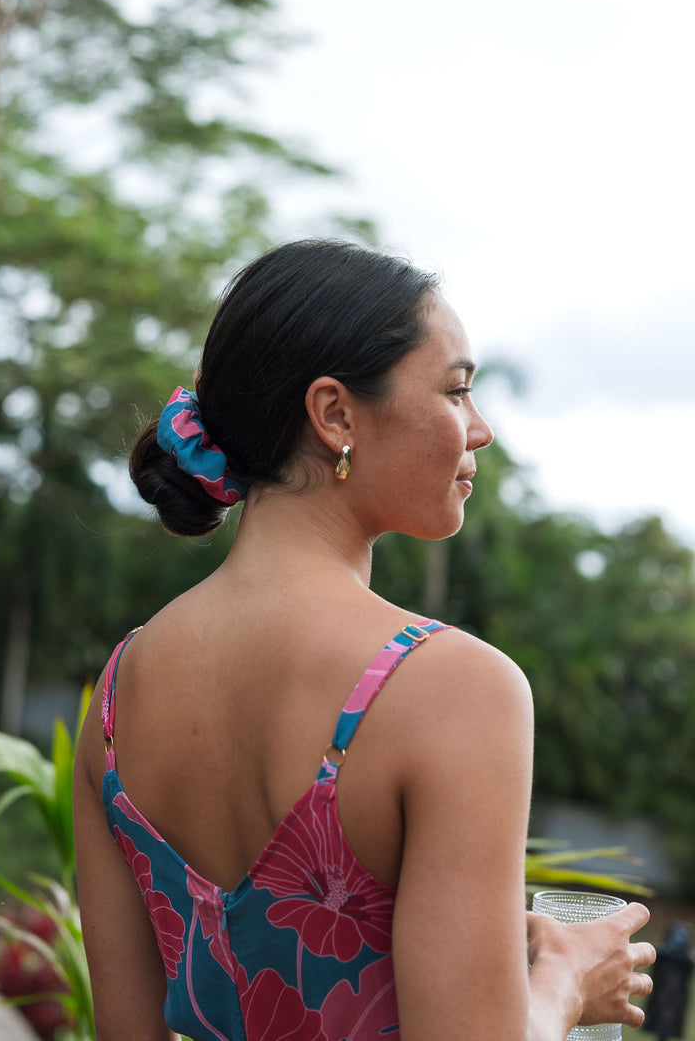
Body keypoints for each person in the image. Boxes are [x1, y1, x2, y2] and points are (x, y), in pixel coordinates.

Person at [73, 239, 654, 1040]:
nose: (478, 429)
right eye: (455, 392)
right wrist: (566, 981)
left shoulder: (117, 692)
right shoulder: (451, 686)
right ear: (336, 413)